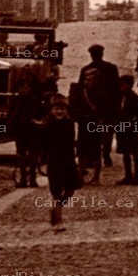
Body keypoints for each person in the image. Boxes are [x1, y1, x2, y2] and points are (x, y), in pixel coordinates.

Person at [75, 43, 121, 171]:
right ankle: (106, 155)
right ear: (102, 53)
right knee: (107, 132)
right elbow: (117, 89)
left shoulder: (85, 69)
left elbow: (80, 89)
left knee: (91, 133)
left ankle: (91, 157)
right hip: (108, 106)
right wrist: (116, 105)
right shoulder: (111, 68)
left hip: (91, 108)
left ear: (91, 55)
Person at [40, 91, 82, 227]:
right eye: (57, 109)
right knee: (56, 192)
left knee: (70, 190)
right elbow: (43, 142)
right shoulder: (48, 124)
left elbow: (72, 141)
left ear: (66, 110)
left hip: (68, 160)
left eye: (62, 109)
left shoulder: (69, 123)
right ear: (52, 110)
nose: (59, 111)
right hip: (54, 161)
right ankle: (58, 220)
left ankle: (56, 209)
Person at [9, 65, 46, 187]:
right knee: (23, 155)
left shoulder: (32, 100)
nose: (24, 90)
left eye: (26, 87)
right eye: (22, 88)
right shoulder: (18, 100)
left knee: (31, 155)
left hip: (31, 129)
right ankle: (25, 179)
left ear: (30, 88)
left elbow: (40, 113)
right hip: (22, 130)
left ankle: (31, 178)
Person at [115, 74, 138, 185]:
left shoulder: (135, 98)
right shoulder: (121, 97)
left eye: (123, 85)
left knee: (135, 153)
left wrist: (133, 122)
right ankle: (128, 175)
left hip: (131, 130)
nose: (121, 87)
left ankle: (137, 176)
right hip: (122, 129)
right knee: (125, 153)